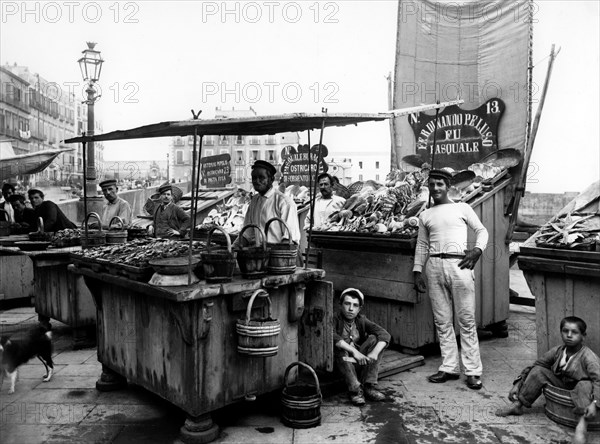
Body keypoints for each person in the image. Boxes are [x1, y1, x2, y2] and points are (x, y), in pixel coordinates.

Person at [413, 169, 488, 390]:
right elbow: (422, 245)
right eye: (432, 185)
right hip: (434, 266)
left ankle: (473, 371)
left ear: (448, 186)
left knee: (466, 321)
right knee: (442, 321)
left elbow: (482, 231)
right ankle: (449, 367)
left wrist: (476, 251)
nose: (436, 189)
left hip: (459, 265)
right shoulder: (425, 215)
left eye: (440, 184)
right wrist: (417, 270)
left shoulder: (462, 207)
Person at [496, 317, 599, 444]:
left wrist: (594, 403)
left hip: (584, 392)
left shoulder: (588, 357)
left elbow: (598, 380)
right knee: (539, 371)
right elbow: (536, 365)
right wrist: (518, 384)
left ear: (583, 336)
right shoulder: (558, 351)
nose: (569, 335)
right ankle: (518, 405)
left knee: (585, 384)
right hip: (563, 386)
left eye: (574, 332)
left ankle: (581, 426)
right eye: (565, 331)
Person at [334, 287, 390, 406]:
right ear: (340, 305)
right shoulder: (334, 319)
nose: (351, 309)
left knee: (375, 339)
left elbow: (384, 334)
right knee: (340, 348)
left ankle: (368, 386)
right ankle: (355, 391)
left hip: (360, 361)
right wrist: (354, 352)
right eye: (347, 304)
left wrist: (374, 353)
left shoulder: (361, 320)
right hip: (341, 363)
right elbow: (332, 336)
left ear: (359, 308)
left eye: (355, 305)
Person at [234, 160, 300, 247]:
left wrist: (275, 255)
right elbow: (247, 233)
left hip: (279, 256)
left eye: (261, 177)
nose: (257, 181)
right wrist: (232, 248)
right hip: (260, 256)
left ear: (271, 179)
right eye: (254, 178)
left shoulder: (284, 203)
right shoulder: (254, 201)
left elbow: (289, 239)